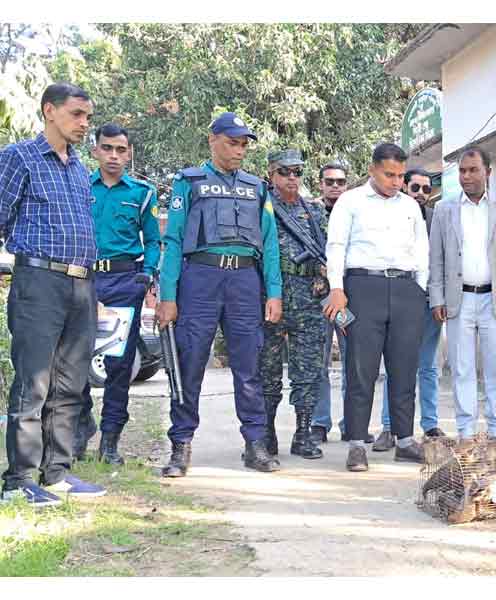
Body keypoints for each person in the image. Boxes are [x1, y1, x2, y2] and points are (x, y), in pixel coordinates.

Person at [156, 112, 282, 477]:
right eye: (232, 143)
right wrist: (168, 295)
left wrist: (274, 292)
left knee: (249, 366)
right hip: (200, 278)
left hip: (244, 280)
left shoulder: (257, 188)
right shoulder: (189, 182)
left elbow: (270, 244)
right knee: (190, 361)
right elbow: (173, 239)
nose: (239, 151)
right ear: (212, 140)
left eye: (243, 145)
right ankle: (181, 445)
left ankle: (255, 444)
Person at [0, 83, 105, 506]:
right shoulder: (19, 157)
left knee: (71, 384)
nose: (84, 124)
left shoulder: (79, 168)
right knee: (34, 381)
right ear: (49, 111)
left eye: (88, 117)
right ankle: (19, 480)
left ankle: (57, 472)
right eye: (77, 114)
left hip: (82, 284)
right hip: (39, 281)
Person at [323, 143, 429, 471]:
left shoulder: (410, 206)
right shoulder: (350, 201)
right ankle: (357, 444)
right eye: (389, 175)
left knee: (404, 368)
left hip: (405, 290)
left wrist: (419, 289)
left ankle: (405, 440)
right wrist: (336, 289)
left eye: (400, 176)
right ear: (372, 170)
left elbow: (421, 249)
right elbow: (336, 246)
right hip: (361, 288)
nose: (396, 182)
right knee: (361, 369)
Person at [73, 123, 161, 465]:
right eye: (107, 148)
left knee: (119, 366)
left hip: (125, 284)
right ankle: (82, 426)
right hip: (83, 281)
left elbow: (153, 240)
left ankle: (110, 440)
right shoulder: (79, 185)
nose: (113, 155)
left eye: (120, 150)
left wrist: (146, 274)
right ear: (95, 150)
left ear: (129, 154)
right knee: (74, 360)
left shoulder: (142, 193)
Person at [429, 147, 496, 438]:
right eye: (462, 171)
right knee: (462, 370)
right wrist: (437, 298)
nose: (466, 176)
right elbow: (436, 258)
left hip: (495, 301)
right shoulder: (444, 209)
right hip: (459, 301)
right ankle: (466, 434)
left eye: (473, 170)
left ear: (488, 173)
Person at [259, 150, 329, 459]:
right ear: (271, 174)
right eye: (284, 172)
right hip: (270, 297)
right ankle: (266, 433)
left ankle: (303, 434)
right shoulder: (260, 207)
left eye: (297, 172)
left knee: (308, 369)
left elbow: (327, 249)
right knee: (267, 368)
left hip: (307, 297)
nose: (291, 178)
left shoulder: (314, 211)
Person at [375, 168, 445, 451]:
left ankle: (430, 425)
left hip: (428, 303)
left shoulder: (436, 219)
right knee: (396, 366)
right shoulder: (390, 215)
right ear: (405, 187)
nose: (421, 194)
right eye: (415, 187)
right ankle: (388, 427)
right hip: (398, 301)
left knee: (427, 366)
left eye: (427, 189)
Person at [310, 163, 374, 443]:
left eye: (340, 181)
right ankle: (319, 423)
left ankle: (352, 424)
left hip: (350, 299)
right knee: (318, 362)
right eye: (329, 181)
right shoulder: (309, 213)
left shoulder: (357, 212)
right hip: (320, 298)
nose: (335, 186)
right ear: (321, 184)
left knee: (354, 363)